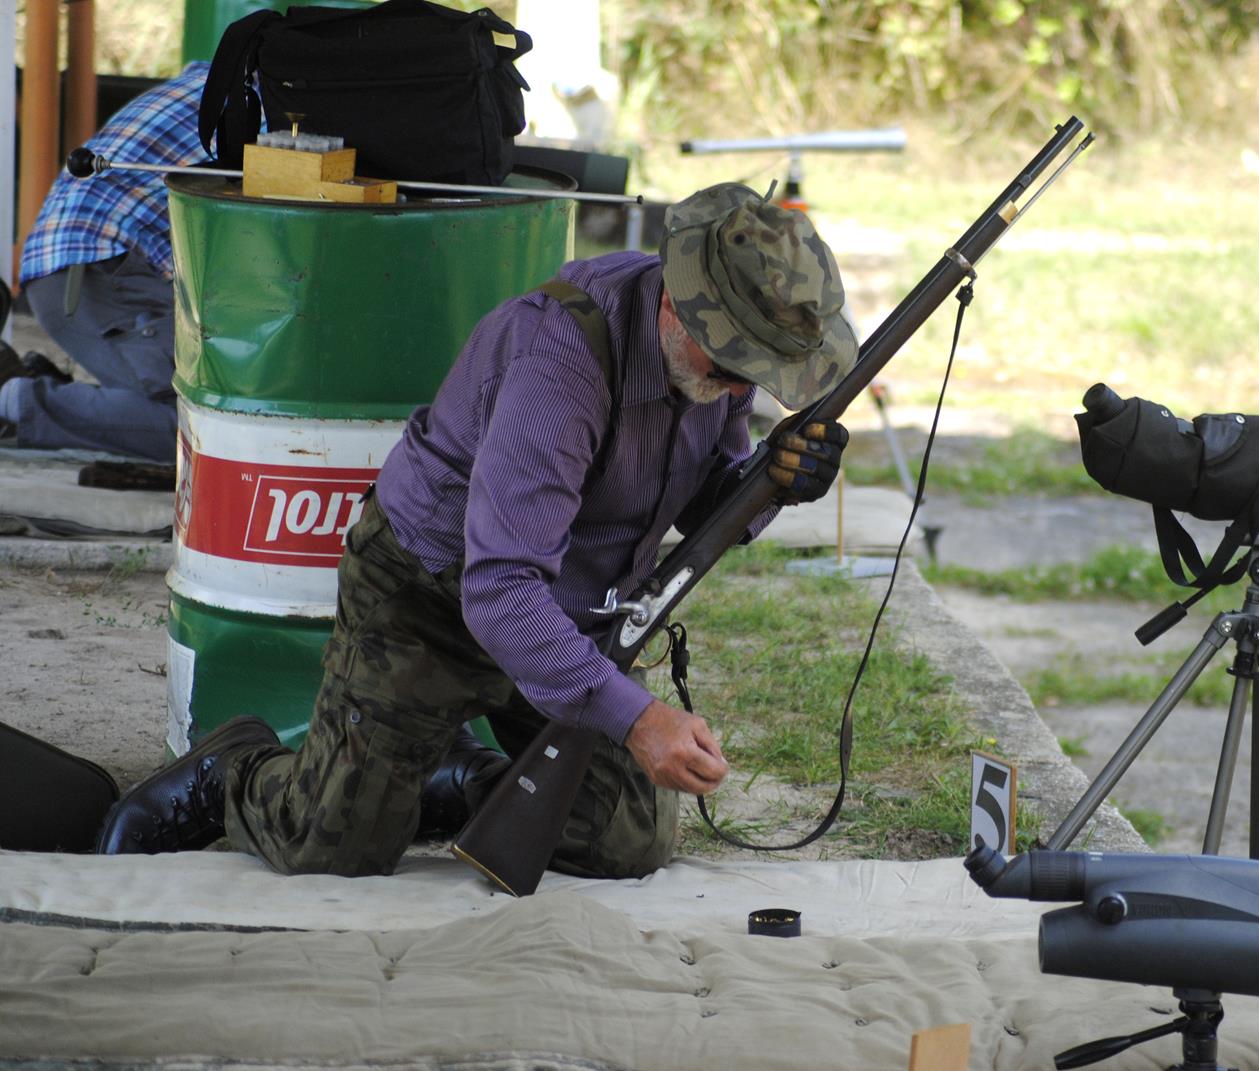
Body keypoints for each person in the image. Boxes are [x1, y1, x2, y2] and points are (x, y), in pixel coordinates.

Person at [96, 183, 857, 879]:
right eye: (732, 366)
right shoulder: (558, 364)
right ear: (677, 307)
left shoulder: (713, 365)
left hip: (572, 617)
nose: (738, 388)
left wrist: (773, 483)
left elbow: (702, 502)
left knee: (623, 840)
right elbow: (497, 591)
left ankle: (444, 772)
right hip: (434, 598)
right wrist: (639, 717)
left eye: (755, 374)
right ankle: (236, 768)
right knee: (329, 846)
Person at [0, 62, 212, 462]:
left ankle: (32, 389)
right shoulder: (274, 109)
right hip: (100, 268)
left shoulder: (221, 79)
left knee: (205, 410)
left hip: (79, 267)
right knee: (208, 425)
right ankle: (14, 401)